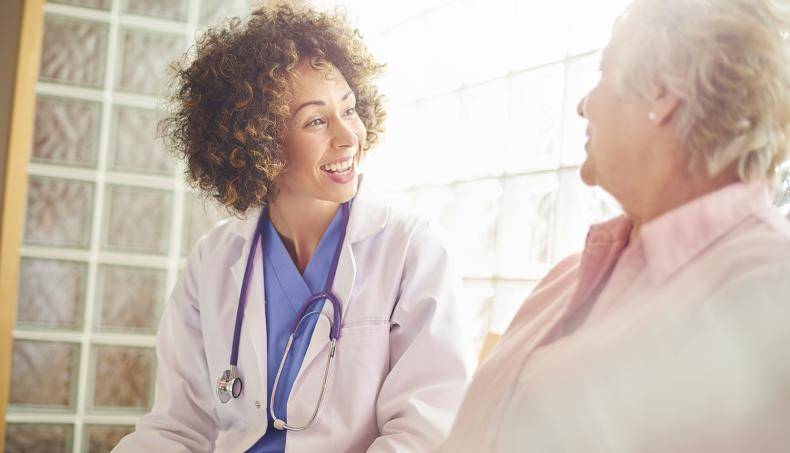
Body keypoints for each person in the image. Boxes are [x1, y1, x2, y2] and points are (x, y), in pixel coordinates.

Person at [113, 3, 475, 452]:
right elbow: (178, 427)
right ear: (258, 141)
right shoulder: (215, 259)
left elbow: (425, 431)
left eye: (350, 109)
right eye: (316, 121)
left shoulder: (410, 251)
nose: (348, 137)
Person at [438, 0, 790, 451]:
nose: (584, 105)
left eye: (603, 73)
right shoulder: (565, 278)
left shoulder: (767, 287)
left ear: (664, 90)